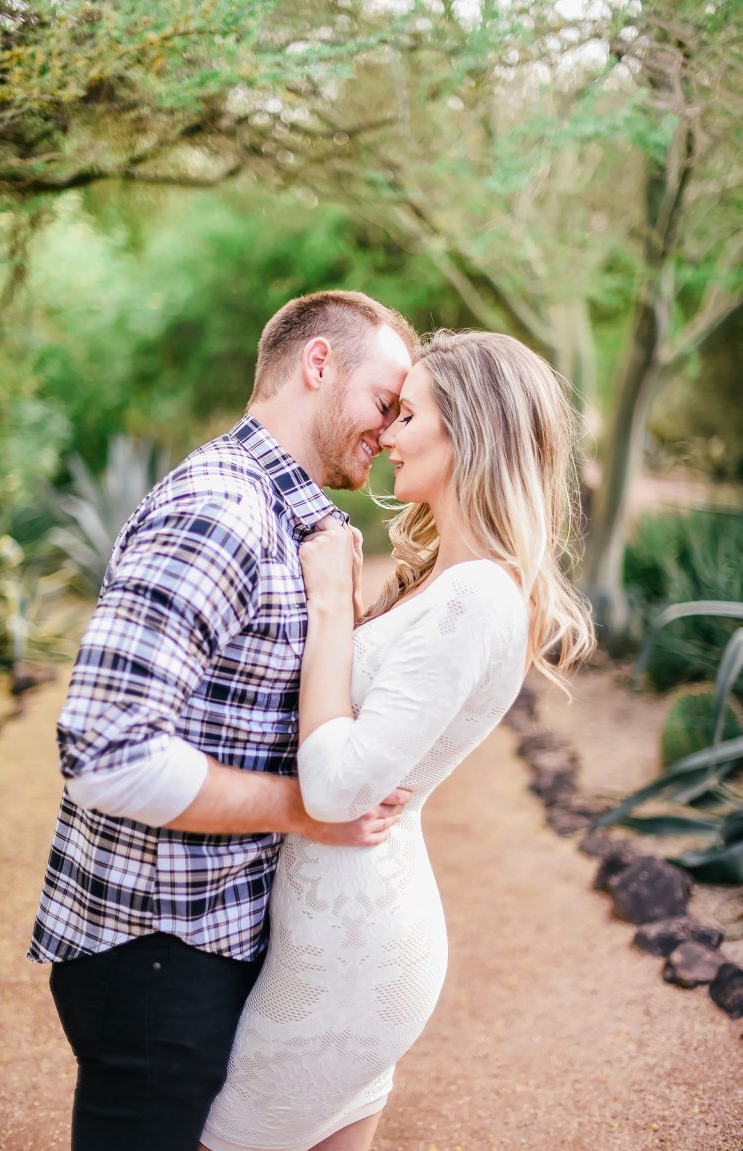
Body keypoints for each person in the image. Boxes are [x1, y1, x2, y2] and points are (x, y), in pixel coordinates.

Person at [29, 290, 420, 1151]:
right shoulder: (222, 510)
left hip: (205, 943)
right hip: (155, 957)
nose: (391, 433)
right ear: (319, 364)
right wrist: (306, 808)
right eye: (385, 403)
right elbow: (106, 750)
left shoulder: (294, 520)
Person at [199, 329, 596, 1151]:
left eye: (408, 414)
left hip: (348, 956)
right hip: (339, 934)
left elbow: (338, 789)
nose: (384, 435)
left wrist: (334, 601)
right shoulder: (452, 583)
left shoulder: (476, 595)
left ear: (470, 433)